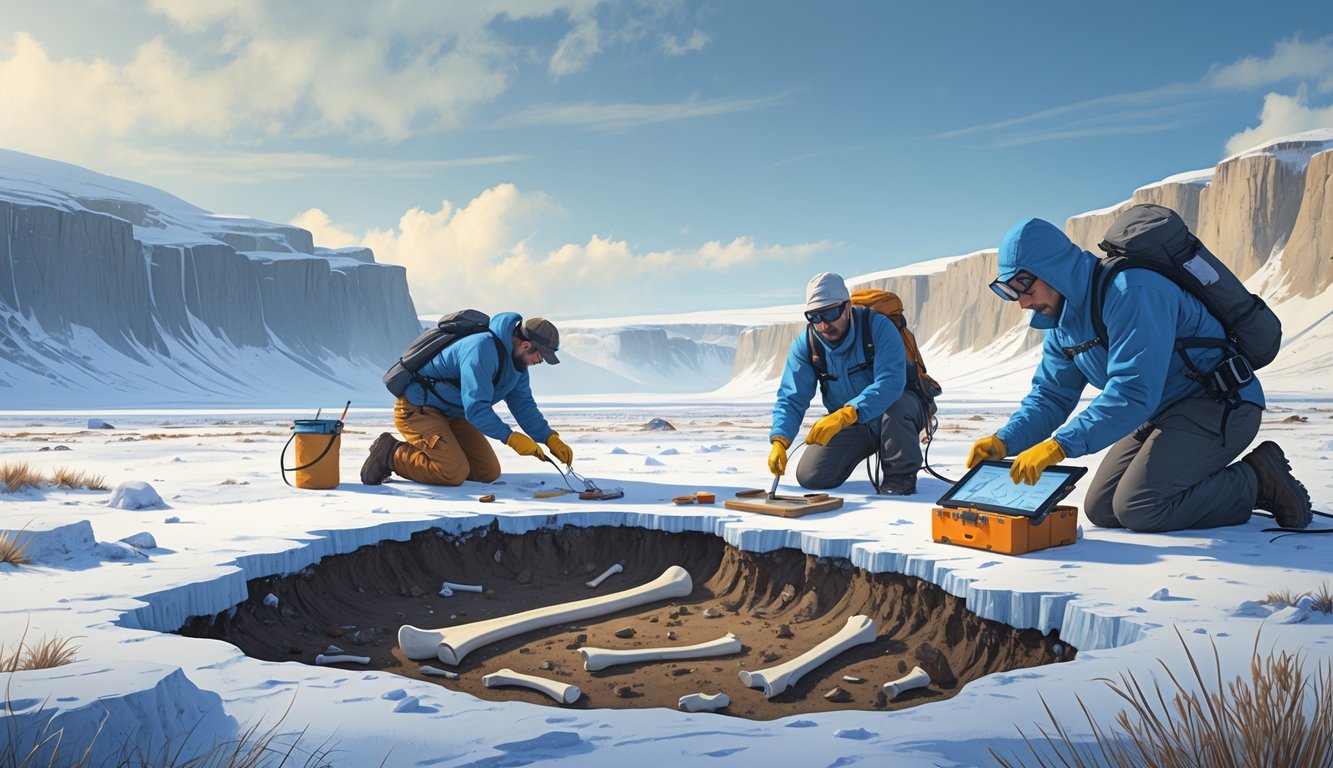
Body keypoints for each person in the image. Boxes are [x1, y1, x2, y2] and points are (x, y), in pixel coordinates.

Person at [967, 217, 1311, 532]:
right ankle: (1205, 485)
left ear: (1054, 269)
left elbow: (1132, 391)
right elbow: (1051, 396)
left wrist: (1059, 445)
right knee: (1102, 508)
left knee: (1141, 508)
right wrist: (1004, 440)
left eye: (1024, 284)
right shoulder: (1063, 325)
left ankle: (1259, 478)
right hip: (1160, 412)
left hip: (1219, 403)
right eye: (1009, 290)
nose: (1022, 301)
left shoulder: (1132, 291)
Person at [360, 313, 574, 487]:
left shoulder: (518, 367)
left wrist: (549, 438)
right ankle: (390, 453)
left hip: (454, 415)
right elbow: (476, 409)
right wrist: (510, 437)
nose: (540, 362)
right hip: (419, 409)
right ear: (526, 345)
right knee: (452, 472)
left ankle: (443, 455)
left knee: (487, 472)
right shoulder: (481, 349)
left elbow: (524, 406)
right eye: (541, 356)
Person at [768, 272, 928, 495]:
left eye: (830, 313)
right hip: (852, 423)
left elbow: (891, 382)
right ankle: (871, 443)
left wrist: (848, 413)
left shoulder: (878, 327)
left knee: (896, 407)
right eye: (814, 317)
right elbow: (791, 398)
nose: (823, 324)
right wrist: (780, 439)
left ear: (847, 306)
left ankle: (900, 478)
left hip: (897, 413)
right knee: (811, 477)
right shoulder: (807, 344)